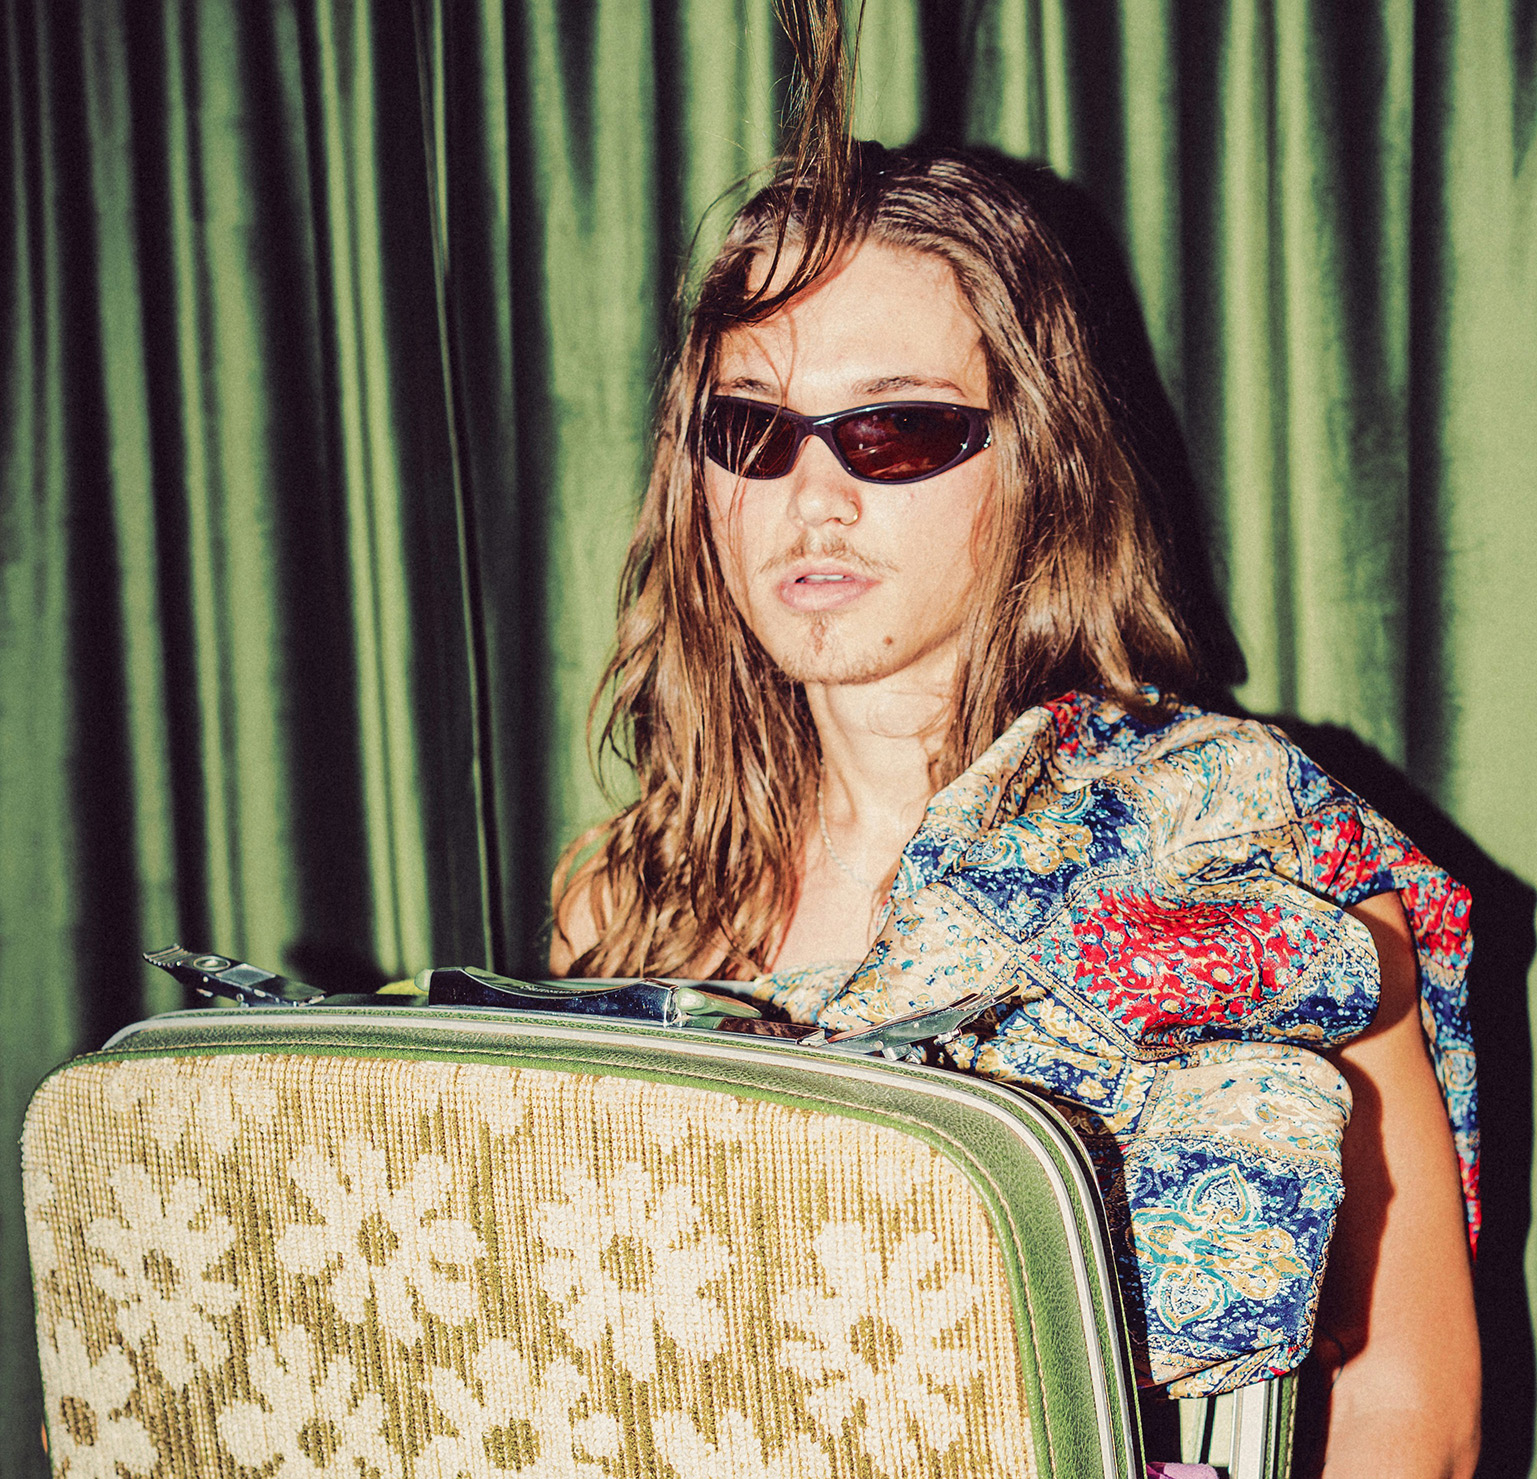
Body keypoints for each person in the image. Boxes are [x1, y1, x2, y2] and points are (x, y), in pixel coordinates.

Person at [548, 39, 1480, 1479]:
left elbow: (1405, 1420)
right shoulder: (627, 898)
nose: (813, 496)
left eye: (894, 430)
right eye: (751, 429)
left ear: (1038, 460)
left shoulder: (1246, 846)